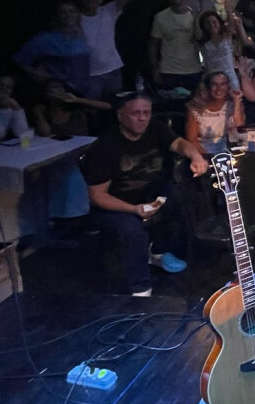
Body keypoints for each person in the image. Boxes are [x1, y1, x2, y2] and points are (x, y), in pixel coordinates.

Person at [80, 92, 208, 296]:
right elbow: (97, 195)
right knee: (132, 230)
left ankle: (159, 250)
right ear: (121, 115)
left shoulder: (155, 128)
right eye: (135, 113)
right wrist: (133, 209)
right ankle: (140, 289)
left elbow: (180, 143)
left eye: (146, 113)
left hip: (150, 194)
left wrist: (195, 156)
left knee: (180, 196)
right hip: (115, 204)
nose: (142, 118)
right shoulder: (106, 147)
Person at [79, 0, 154, 99]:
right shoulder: (76, 17)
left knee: (115, 107)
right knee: (91, 109)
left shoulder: (108, 10)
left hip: (112, 69)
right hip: (89, 73)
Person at [14, 1, 92, 96]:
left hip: (83, 91)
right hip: (59, 93)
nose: (68, 15)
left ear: (77, 14)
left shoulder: (82, 35)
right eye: (63, 12)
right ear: (57, 16)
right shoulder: (44, 38)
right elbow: (20, 61)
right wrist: (36, 73)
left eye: (71, 11)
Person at [149, 0, 202, 93]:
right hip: (168, 70)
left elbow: (201, 38)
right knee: (172, 105)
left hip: (193, 68)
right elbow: (153, 44)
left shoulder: (194, 15)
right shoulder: (160, 17)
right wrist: (154, 68)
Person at [185, 71, 246, 155]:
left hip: (227, 149)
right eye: (214, 84)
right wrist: (209, 158)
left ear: (228, 86)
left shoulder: (231, 104)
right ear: (208, 86)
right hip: (202, 152)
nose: (219, 88)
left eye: (223, 84)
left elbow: (239, 125)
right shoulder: (195, 108)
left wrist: (236, 102)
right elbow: (192, 140)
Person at [31, 79, 110, 138]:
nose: (54, 92)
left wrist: (77, 99)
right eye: (50, 89)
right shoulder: (44, 111)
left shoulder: (75, 108)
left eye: (57, 89)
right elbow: (46, 134)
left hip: (80, 145)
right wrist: (38, 114)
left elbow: (108, 107)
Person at [198, 10, 249, 90]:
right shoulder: (203, 43)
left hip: (230, 81)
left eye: (214, 22)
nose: (211, 25)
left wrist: (228, 9)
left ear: (219, 22)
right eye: (207, 23)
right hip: (212, 82)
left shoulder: (226, 36)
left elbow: (232, 25)